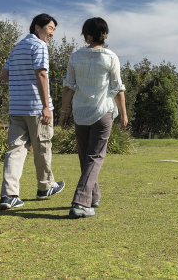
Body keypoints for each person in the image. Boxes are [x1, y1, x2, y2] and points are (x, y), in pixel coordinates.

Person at [59, 17, 128, 218]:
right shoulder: (111, 57)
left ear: (87, 35)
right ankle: (82, 201)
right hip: (103, 111)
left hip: (80, 111)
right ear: (104, 35)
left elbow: (68, 86)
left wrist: (63, 113)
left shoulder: (76, 56)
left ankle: (92, 196)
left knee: (86, 157)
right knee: (94, 157)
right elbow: (117, 89)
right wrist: (123, 114)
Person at [0, 13, 65, 209]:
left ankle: (9, 195)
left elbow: (4, 75)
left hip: (17, 108)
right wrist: (46, 106)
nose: (52, 33)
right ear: (37, 27)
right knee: (42, 147)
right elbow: (41, 74)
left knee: (15, 151)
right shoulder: (39, 46)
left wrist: (21, 84)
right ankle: (45, 187)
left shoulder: (17, 47)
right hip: (37, 108)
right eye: (50, 28)